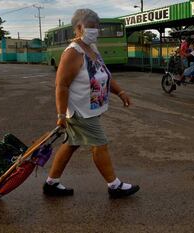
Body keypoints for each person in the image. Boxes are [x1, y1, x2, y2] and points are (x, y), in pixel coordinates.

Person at [43, 8, 140, 198]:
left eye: (97, 27)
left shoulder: (92, 48)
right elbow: (61, 86)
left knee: (72, 143)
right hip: (81, 111)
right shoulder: (72, 52)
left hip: (90, 108)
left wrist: (121, 92)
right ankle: (115, 185)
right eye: (90, 27)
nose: (95, 30)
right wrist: (61, 115)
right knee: (100, 144)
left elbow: (103, 74)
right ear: (78, 28)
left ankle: (51, 183)